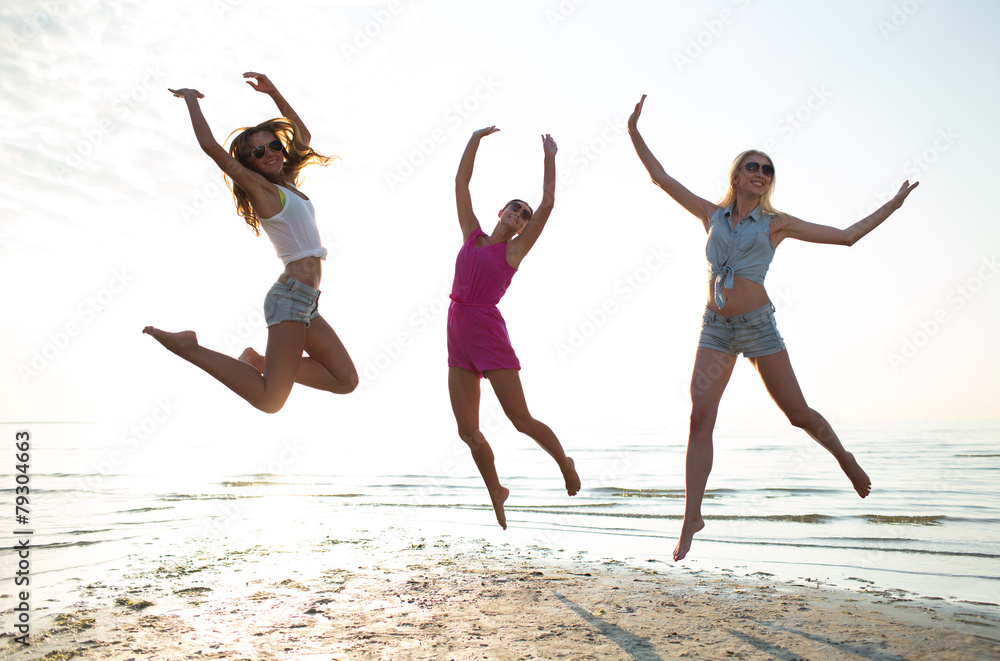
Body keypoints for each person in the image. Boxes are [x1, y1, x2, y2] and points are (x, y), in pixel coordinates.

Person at [627, 94, 918, 561]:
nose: (761, 174)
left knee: (798, 413)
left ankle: (844, 458)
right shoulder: (711, 214)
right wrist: (634, 131)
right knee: (700, 416)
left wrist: (894, 204)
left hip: (757, 326)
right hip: (715, 328)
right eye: (753, 168)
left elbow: (846, 236)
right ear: (737, 176)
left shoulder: (777, 224)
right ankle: (691, 516)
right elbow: (661, 178)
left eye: (767, 170)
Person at [144, 72, 358, 413]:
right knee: (269, 400)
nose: (269, 153)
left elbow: (303, 135)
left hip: (306, 302)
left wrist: (274, 91)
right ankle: (189, 347)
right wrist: (189, 99)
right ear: (250, 163)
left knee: (345, 380)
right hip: (289, 298)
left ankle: (258, 361)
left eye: (274, 145)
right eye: (259, 151)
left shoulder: (289, 184)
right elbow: (211, 147)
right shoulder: (262, 189)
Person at [449, 127, 581, 529]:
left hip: (487, 332)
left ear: (523, 226)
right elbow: (461, 182)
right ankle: (496, 491)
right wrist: (474, 139)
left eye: (523, 214)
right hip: (456, 332)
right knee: (468, 431)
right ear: (500, 211)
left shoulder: (515, 249)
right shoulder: (472, 236)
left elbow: (548, 204)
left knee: (519, 419)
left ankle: (564, 461)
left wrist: (549, 157)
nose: (519, 213)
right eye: (514, 207)